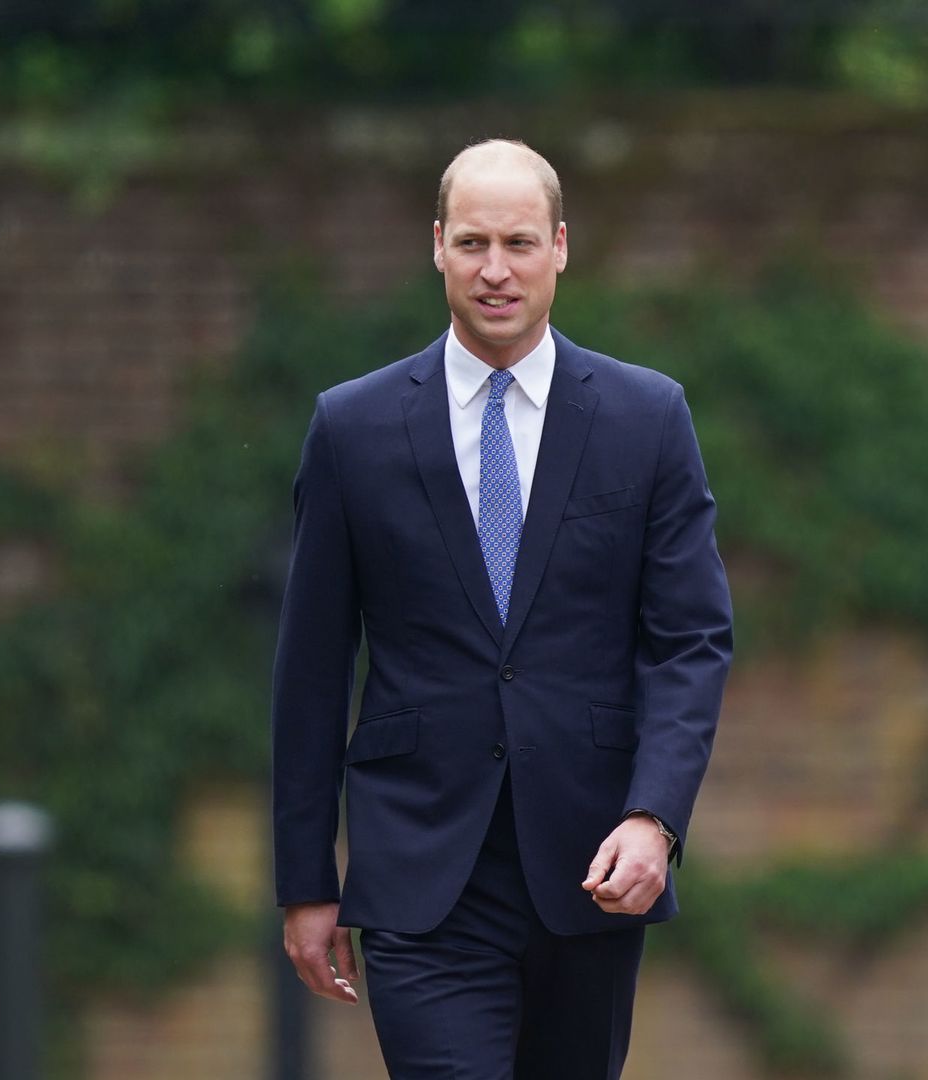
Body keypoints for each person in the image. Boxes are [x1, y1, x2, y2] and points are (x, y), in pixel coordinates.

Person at [270, 139, 734, 1079]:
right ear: (436, 245)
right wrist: (305, 881)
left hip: (589, 865)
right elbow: (311, 668)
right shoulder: (353, 429)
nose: (495, 270)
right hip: (419, 868)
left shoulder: (647, 419)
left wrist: (655, 817)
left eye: (519, 243)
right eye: (472, 243)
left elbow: (690, 641)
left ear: (560, 247)